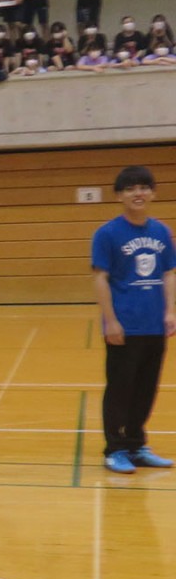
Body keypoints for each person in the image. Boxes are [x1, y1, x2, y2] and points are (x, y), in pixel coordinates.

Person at [93, 166, 176, 474]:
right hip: (125, 326)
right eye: (130, 189)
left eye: (144, 187)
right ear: (119, 196)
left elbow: (168, 274)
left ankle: (136, 444)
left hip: (154, 325)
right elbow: (100, 279)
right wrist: (110, 321)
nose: (138, 193)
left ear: (153, 193)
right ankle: (114, 449)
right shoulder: (107, 233)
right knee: (120, 389)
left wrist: (170, 312)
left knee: (145, 389)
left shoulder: (161, 232)